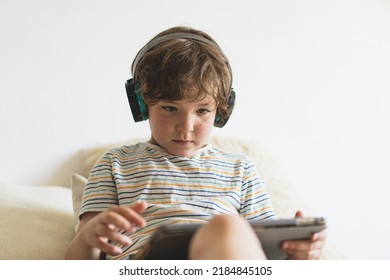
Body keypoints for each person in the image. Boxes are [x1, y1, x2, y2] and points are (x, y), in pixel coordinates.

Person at [65, 26, 326, 260]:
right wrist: (90, 238)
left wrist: (298, 255)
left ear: (221, 111)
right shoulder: (114, 164)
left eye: (202, 111)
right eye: (170, 108)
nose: (186, 126)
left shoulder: (241, 169)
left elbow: (266, 257)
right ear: (143, 104)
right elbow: (76, 262)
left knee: (228, 229)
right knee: (227, 227)